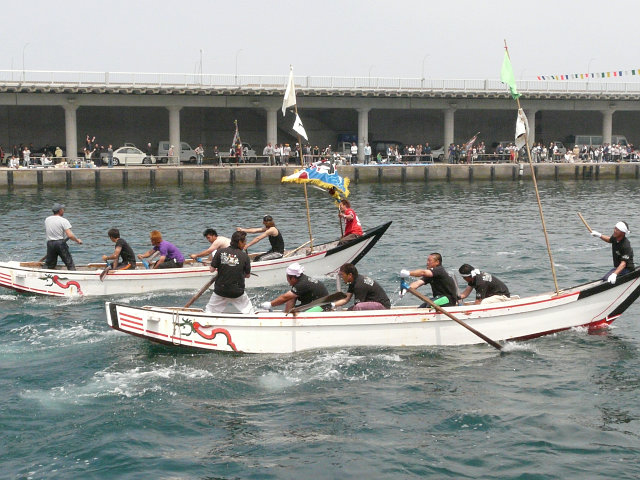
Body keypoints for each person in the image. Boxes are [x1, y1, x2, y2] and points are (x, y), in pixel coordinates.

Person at [205, 230, 253, 314]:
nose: (245, 244)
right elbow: (248, 275)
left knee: (210, 310)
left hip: (220, 290)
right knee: (248, 310)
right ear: (239, 242)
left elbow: (211, 270)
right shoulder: (245, 257)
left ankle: (206, 320)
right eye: (244, 241)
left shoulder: (220, 252)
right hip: (237, 292)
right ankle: (251, 317)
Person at [260, 262, 329, 312]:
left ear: (292, 278)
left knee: (296, 313)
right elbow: (290, 298)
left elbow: (285, 297)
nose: (287, 280)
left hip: (322, 307)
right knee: (292, 307)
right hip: (312, 304)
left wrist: (270, 304)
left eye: (287, 278)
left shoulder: (302, 284)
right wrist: (286, 314)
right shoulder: (301, 280)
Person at [44, 203, 83, 270]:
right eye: (62, 209)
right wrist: (77, 240)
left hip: (50, 244)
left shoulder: (47, 219)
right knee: (69, 263)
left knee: (50, 264)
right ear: (60, 211)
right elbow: (70, 235)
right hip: (60, 244)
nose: (63, 210)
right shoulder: (63, 220)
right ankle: (73, 275)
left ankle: (46, 274)